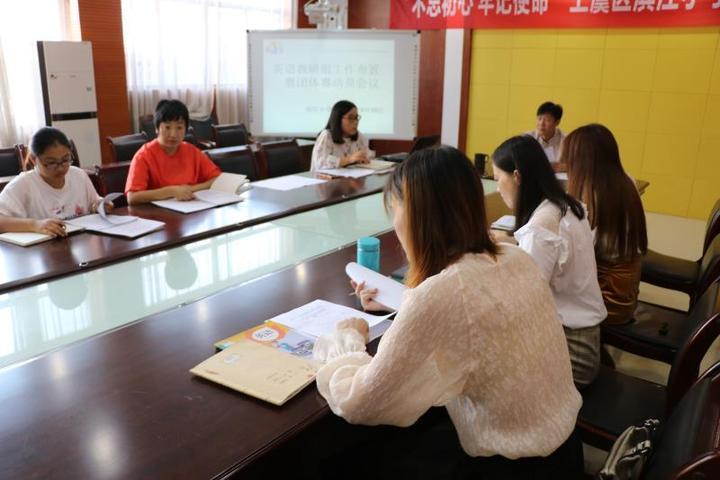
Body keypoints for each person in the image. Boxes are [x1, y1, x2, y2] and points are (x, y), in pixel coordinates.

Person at [311, 146, 582, 478]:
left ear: (415, 215)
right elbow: (470, 309)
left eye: (394, 209)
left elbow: (360, 401)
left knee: (349, 460)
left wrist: (346, 338)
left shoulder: (443, 294)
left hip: (511, 468)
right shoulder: (516, 259)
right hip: (566, 452)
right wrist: (400, 299)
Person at [492, 135, 606, 388]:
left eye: (498, 179)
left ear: (517, 177)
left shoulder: (540, 226)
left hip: (572, 356)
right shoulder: (565, 205)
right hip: (586, 338)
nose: (498, 187)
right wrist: (511, 242)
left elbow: (525, 302)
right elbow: (554, 256)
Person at [562, 124, 648, 325]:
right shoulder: (625, 181)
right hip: (624, 291)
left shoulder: (592, 195)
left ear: (582, 160)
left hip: (608, 301)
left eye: (569, 157)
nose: (565, 163)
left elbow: (576, 250)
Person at [0, 126, 105, 237]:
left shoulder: (78, 175)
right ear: (33, 159)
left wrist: (100, 205)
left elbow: (94, 202)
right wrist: (35, 225)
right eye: (51, 162)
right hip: (42, 250)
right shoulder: (23, 185)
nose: (60, 168)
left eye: (65, 159)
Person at [125, 99, 221, 205]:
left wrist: (191, 189)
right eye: (167, 127)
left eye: (179, 127)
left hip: (191, 211)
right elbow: (132, 197)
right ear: (156, 128)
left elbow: (217, 179)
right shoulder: (144, 155)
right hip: (157, 215)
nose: (173, 134)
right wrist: (171, 191)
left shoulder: (192, 151)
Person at [310, 100, 374, 172]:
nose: (356, 122)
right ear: (338, 119)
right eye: (350, 118)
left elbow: (368, 154)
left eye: (356, 118)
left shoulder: (359, 136)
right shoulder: (327, 135)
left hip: (348, 178)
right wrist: (349, 159)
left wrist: (364, 158)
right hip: (323, 180)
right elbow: (320, 163)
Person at [527, 101, 566, 171]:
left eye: (547, 120)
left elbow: (579, 164)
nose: (541, 123)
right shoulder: (527, 138)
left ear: (557, 122)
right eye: (539, 119)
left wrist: (564, 167)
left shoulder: (567, 140)